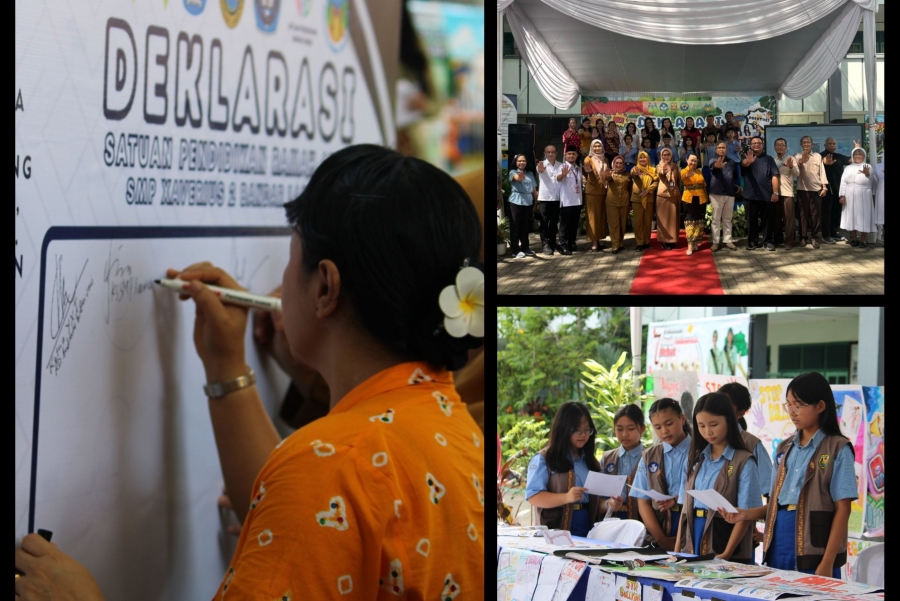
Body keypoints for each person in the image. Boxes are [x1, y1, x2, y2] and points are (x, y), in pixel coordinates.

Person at [15, 145, 485, 598]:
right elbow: (323, 519)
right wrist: (225, 363)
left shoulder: (334, 462)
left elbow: (323, 490)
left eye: (290, 253)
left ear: (325, 286)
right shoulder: (455, 426)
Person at [722, 372, 857, 577]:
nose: (792, 412)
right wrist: (746, 514)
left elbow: (843, 510)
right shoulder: (784, 449)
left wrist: (828, 561)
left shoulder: (838, 448)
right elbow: (779, 504)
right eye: (789, 404)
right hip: (778, 539)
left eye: (799, 405)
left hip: (815, 546)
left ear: (820, 406)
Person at [674, 393, 761, 563]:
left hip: (723, 537)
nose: (708, 432)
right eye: (701, 426)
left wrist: (727, 553)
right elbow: (685, 509)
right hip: (693, 533)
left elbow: (745, 515)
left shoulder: (744, 461)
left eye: (714, 424)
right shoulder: (695, 458)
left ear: (729, 420)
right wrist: (676, 550)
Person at [525, 402, 603, 537]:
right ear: (563, 429)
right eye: (577, 430)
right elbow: (533, 497)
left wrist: (609, 504)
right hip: (556, 529)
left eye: (587, 430)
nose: (583, 435)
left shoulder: (591, 461)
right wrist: (566, 497)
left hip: (588, 528)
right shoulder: (545, 458)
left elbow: (596, 501)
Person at [631, 398, 692, 551]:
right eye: (657, 427)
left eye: (669, 424)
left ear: (682, 419)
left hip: (693, 523)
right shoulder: (649, 456)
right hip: (661, 525)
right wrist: (661, 539)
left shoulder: (700, 451)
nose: (664, 431)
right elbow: (643, 502)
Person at [718, 382, 774, 500]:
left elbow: (769, 488)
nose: (718, 409)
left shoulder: (752, 444)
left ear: (741, 413)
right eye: (718, 403)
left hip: (739, 514)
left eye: (726, 405)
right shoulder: (707, 440)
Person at [598, 404, 648, 521]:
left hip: (643, 521)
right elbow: (597, 499)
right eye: (619, 429)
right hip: (612, 521)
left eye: (630, 429)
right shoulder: (607, 459)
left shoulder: (650, 458)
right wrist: (608, 504)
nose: (624, 434)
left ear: (642, 429)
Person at [741, 137, 780, 251]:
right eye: (754, 143)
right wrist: (748, 161)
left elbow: (774, 176)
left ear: (762, 145)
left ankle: (767, 241)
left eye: (759, 143)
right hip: (750, 195)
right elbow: (744, 164)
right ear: (750, 145)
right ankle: (752, 242)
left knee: (768, 220)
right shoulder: (746, 157)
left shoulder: (769, 159)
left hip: (766, 194)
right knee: (751, 220)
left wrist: (775, 192)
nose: (756, 145)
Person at [794, 136, 829, 249]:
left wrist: (824, 187)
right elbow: (798, 166)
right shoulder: (797, 156)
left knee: (816, 215)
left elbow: (822, 172)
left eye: (808, 142)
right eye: (804, 142)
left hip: (816, 190)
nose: (806, 144)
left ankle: (814, 237)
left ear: (812, 144)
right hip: (802, 189)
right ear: (801, 144)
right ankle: (803, 237)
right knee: (803, 215)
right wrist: (803, 159)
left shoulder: (818, 156)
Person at [839, 147, 876, 249]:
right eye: (856, 154)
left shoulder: (868, 166)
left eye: (860, 154)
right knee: (852, 216)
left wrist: (867, 173)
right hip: (850, 194)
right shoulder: (848, 168)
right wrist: (842, 195)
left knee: (864, 216)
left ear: (864, 156)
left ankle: (863, 239)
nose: (858, 156)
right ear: (852, 156)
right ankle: (854, 238)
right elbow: (843, 182)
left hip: (864, 194)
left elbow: (872, 178)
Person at [708, 141, 740, 252]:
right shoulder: (712, 160)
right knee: (716, 219)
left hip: (730, 193)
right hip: (716, 193)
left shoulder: (732, 162)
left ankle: (728, 240)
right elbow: (714, 167)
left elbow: (734, 176)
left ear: (727, 149)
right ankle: (716, 242)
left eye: (723, 147)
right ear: (716, 149)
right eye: (719, 147)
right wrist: (718, 165)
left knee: (727, 219)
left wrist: (737, 186)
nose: (721, 149)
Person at [508, 154, 538, 258]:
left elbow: (534, 189)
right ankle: (515, 249)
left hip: (528, 202)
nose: (521, 163)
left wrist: (536, 201)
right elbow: (516, 178)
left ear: (527, 162)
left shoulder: (530, 173)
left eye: (523, 161)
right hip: (516, 201)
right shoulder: (513, 172)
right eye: (519, 161)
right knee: (516, 225)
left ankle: (525, 247)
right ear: (516, 162)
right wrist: (519, 177)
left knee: (526, 226)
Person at [536, 145, 564, 256]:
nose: (550, 154)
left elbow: (561, 179)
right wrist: (540, 170)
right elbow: (539, 170)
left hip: (556, 198)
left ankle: (552, 242)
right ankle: (545, 244)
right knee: (544, 222)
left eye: (552, 152)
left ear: (556, 153)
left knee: (554, 222)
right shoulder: (541, 164)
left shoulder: (560, 165)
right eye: (548, 152)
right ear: (545, 153)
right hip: (545, 198)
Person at [821, 138, 851, 242]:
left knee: (836, 212)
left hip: (838, 190)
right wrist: (824, 163)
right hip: (826, 190)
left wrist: (857, 149)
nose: (832, 145)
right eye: (829, 144)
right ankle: (826, 235)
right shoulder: (820, 156)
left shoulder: (839, 156)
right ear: (825, 145)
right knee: (826, 213)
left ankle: (834, 233)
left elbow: (851, 160)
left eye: (833, 144)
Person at [773, 138, 799, 250]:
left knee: (789, 219)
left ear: (786, 147)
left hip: (787, 193)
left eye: (782, 145)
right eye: (777, 145)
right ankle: (778, 239)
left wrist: (791, 166)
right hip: (775, 193)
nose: (780, 146)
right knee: (776, 218)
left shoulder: (791, 159)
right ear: (774, 147)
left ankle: (789, 241)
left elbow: (797, 174)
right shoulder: (773, 160)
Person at [583, 139, 610, 252]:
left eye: (599, 146)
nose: (597, 148)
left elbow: (607, 173)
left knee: (601, 217)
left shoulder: (605, 159)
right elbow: (587, 171)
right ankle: (593, 241)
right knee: (592, 217)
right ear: (592, 147)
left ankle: (598, 239)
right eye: (595, 146)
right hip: (592, 192)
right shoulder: (588, 159)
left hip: (603, 191)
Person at [603, 155, 632, 255]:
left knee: (622, 224)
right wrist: (606, 174)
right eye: (617, 163)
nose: (618, 165)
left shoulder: (627, 175)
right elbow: (606, 178)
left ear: (623, 164)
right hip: (612, 202)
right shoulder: (610, 173)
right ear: (613, 164)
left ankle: (620, 242)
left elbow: (630, 188)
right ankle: (615, 245)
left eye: (620, 163)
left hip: (624, 202)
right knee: (614, 224)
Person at [631, 151, 659, 252]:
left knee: (647, 221)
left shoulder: (653, 170)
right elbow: (633, 175)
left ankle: (647, 242)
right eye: (640, 157)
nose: (642, 159)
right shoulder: (635, 169)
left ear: (648, 159)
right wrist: (636, 174)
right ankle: (639, 243)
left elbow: (656, 181)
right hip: (637, 198)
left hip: (649, 198)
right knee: (638, 221)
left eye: (644, 157)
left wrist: (647, 191)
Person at [558, 146, 583, 255]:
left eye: (573, 154)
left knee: (574, 224)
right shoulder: (562, 167)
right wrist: (562, 174)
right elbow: (558, 178)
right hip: (566, 201)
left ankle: (572, 243)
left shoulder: (578, 168)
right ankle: (563, 245)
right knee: (565, 225)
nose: (571, 156)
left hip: (577, 201)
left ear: (577, 156)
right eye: (569, 154)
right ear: (565, 155)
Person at [681, 154, 708, 256]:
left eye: (695, 161)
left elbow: (703, 184)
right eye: (691, 160)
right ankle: (690, 244)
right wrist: (688, 174)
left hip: (701, 199)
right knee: (690, 221)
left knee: (699, 221)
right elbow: (683, 177)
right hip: (689, 199)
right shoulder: (684, 171)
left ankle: (696, 241)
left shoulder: (699, 171)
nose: (693, 163)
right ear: (687, 160)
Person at [655, 148, 682, 251]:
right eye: (664, 155)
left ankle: (672, 240)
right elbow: (661, 172)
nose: (666, 157)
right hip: (662, 195)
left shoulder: (675, 166)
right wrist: (666, 170)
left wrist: (671, 172)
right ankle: (664, 240)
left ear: (671, 156)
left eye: (668, 155)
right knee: (663, 219)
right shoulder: (658, 166)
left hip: (673, 195)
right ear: (661, 156)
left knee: (673, 219)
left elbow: (676, 178)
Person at [874, 149, 884, 245]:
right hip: (881, 192)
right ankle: (880, 236)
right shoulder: (877, 166)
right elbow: (875, 181)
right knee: (881, 212)